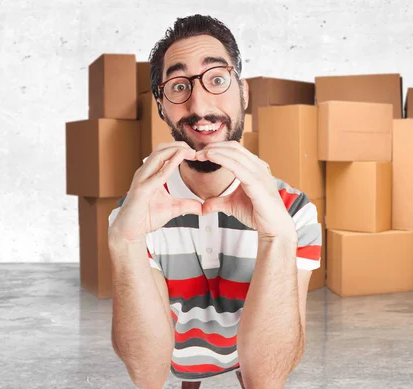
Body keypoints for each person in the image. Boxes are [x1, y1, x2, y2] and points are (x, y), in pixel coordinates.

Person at [107, 14, 322, 389]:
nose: (200, 104)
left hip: (250, 355)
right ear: (161, 106)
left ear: (244, 92)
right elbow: (148, 375)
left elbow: (269, 377)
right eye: (178, 87)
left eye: (217, 79)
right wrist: (124, 245)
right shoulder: (135, 212)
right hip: (178, 362)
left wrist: (279, 238)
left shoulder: (294, 211)